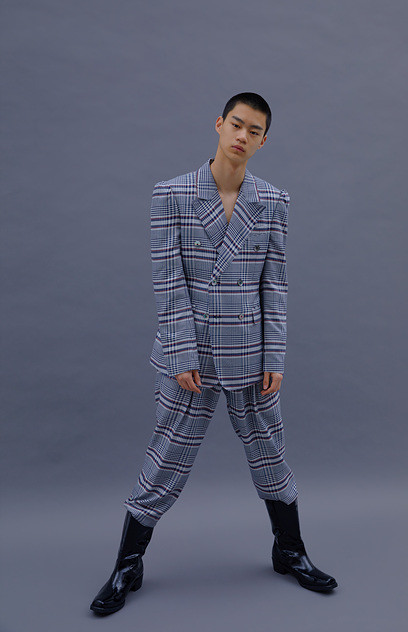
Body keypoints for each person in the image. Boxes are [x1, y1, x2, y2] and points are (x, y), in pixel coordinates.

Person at [90, 92, 338, 616]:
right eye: (237, 124)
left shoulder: (274, 201)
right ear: (220, 124)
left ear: (263, 141)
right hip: (192, 358)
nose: (243, 136)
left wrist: (275, 357)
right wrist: (181, 354)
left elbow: (275, 282)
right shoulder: (172, 194)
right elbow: (168, 281)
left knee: (270, 453)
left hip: (250, 353)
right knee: (166, 458)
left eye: (254, 130)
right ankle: (128, 564)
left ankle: (290, 550)